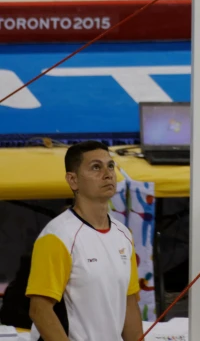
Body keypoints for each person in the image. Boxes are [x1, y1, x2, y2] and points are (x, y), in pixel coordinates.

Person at [26, 140, 142, 341]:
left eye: (110, 166)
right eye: (96, 167)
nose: (107, 174)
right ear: (73, 180)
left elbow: (129, 302)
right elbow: (40, 311)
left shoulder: (123, 234)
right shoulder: (57, 236)